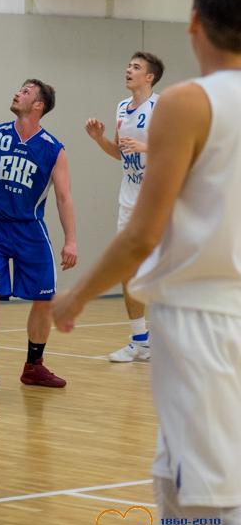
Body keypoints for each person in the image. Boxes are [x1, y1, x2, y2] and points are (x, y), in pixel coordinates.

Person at [53, 0, 241, 525]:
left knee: (212, 503)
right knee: (175, 490)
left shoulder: (187, 102)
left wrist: (78, 295)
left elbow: (142, 233)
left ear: (195, 24)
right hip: (226, 312)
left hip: (198, 319)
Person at [0, 79, 77, 391]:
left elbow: (63, 197)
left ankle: (34, 366)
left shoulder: (53, 149)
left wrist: (71, 240)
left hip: (30, 230)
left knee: (44, 298)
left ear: (39, 106)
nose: (17, 93)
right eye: (20, 89)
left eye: (26, 91)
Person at [85, 50, 164, 362]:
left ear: (149, 77)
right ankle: (140, 340)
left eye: (136, 67)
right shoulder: (121, 107)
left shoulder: (162, 107)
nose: (128, 70)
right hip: (129, 198)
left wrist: (146, 146)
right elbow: (120, 153)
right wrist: (99, 139)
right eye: (128, 65)